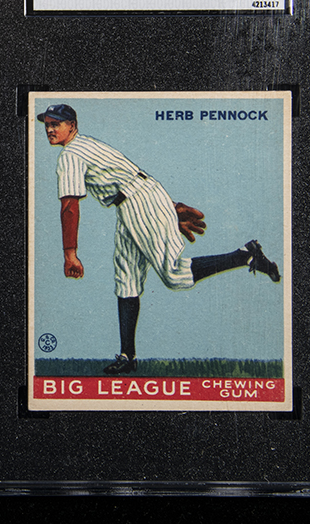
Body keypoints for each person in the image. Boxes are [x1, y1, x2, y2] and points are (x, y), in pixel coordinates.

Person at [38, 103, 280, 375]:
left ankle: (244, 255)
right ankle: (127, 356)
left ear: (72, 125)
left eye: (56, 123)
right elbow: (126, 175)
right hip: (133, 203)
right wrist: (168, 208)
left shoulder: (71, 154)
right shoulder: (85, 144)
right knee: (126, 280)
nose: (49, 129)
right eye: (47, 124)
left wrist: (70, 254)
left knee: (174, 275)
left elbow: (70, 206)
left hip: (138, 202)